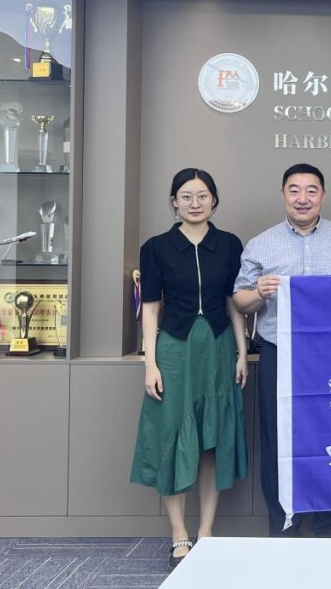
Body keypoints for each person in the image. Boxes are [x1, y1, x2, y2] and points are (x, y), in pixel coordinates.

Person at [233, 163, 331, 537]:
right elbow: (240, 300)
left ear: (323, 195)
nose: (302, 198)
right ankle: (284, 527)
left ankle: (329, 526)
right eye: (294, 190)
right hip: (281, 354)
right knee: (278, 440)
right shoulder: (261, 244)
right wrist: (259, 293)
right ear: (282, 194)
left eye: (311, 190)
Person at [130, 168, 248, 570]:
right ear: (173, 202)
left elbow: (234, 302)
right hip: (174, 349)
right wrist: (150, 363)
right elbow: (150, 308)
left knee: (211, 442)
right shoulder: (156, 247)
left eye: (202, 196)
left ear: (214, 200)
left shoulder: (229, 244)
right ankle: (178, 533)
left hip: (217, 345)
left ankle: (207, 532)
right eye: (186, 196)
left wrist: (241, 352)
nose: (195, 203)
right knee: (172, 437)